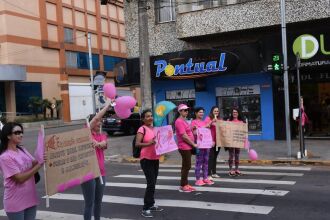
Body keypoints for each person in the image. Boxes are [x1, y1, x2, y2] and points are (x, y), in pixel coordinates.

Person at [0, 122, 44, 220]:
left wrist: (42, 156)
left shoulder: (22, 150)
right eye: (17, 132)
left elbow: (32, 163)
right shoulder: (5, 157)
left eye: (22, 132)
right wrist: (39, 165)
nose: (21, 135)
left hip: (30, 198)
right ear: (8, 135)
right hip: (15, 202)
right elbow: (19, 178)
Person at [81, 101, 111, 220]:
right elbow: (97, 117)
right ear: (90, 123)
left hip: (101, 173)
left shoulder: (102, 135)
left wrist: (98, 144)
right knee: (89, 203)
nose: (100, 122)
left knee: (98, 202)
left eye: (100, 121)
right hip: (88, 173)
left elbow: (104, 144)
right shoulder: (85, 133)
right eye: (97, 121)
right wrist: (106, 106)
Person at [135, 109, 163, 218]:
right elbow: (137, 144)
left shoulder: (154, 129)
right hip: (146, 159)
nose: (150, 118)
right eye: (147, 116)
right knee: (151, 183)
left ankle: (151, 204)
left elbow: (158, 142)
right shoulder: (142, 129)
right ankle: (145, 208)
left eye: (151, 116)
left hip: (155, 158)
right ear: (143, 119)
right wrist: (148, 143)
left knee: (154, 182)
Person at [174, 104, 197, 193]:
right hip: (184, 146)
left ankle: (185, 184)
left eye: (187, 110)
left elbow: (186, 131)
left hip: (187, 146)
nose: (186, 112)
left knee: (186, 166)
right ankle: (183, 185)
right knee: (186, 166)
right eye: (184, 110)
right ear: (180, 111)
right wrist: (193, 144)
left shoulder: (183, 120)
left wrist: (192, 128)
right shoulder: (179, 121)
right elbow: (184, 136)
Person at [191, 107, 214, 186]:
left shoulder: (204, 122)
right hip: (199, 146)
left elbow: (207, 133)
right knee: (199, 162)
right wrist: (201, 128)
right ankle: (198, 179)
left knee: (206, 162)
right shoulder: (193, 122)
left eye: (203, 112)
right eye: (200, 112)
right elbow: (194, 133)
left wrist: (211, 141)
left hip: (206, 145)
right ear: (196, 113)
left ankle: (205, 178)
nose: (202, 114)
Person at [204, 106, 222, 180]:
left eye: (217, 111)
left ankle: (214, 172)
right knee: (210, 157)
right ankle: (208, 174)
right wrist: (212, 121)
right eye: (215, 111)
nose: (216, 112)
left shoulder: (219, 119)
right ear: (212, 111)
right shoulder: (208, 118)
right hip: (210, 141)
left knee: (215, 157)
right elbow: (205, 126)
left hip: (218, 141)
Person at [227, 108, 244, 176]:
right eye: (233, 112)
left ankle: (236, 169)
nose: (234, 113)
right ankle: (230, 170)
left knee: (237, 155)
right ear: (232, 113)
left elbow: (243, 132)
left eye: (236, 112)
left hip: (238, 140)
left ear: (238, 113)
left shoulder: (241, 122)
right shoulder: (228, 121)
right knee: (231, 156)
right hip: (231, 141)